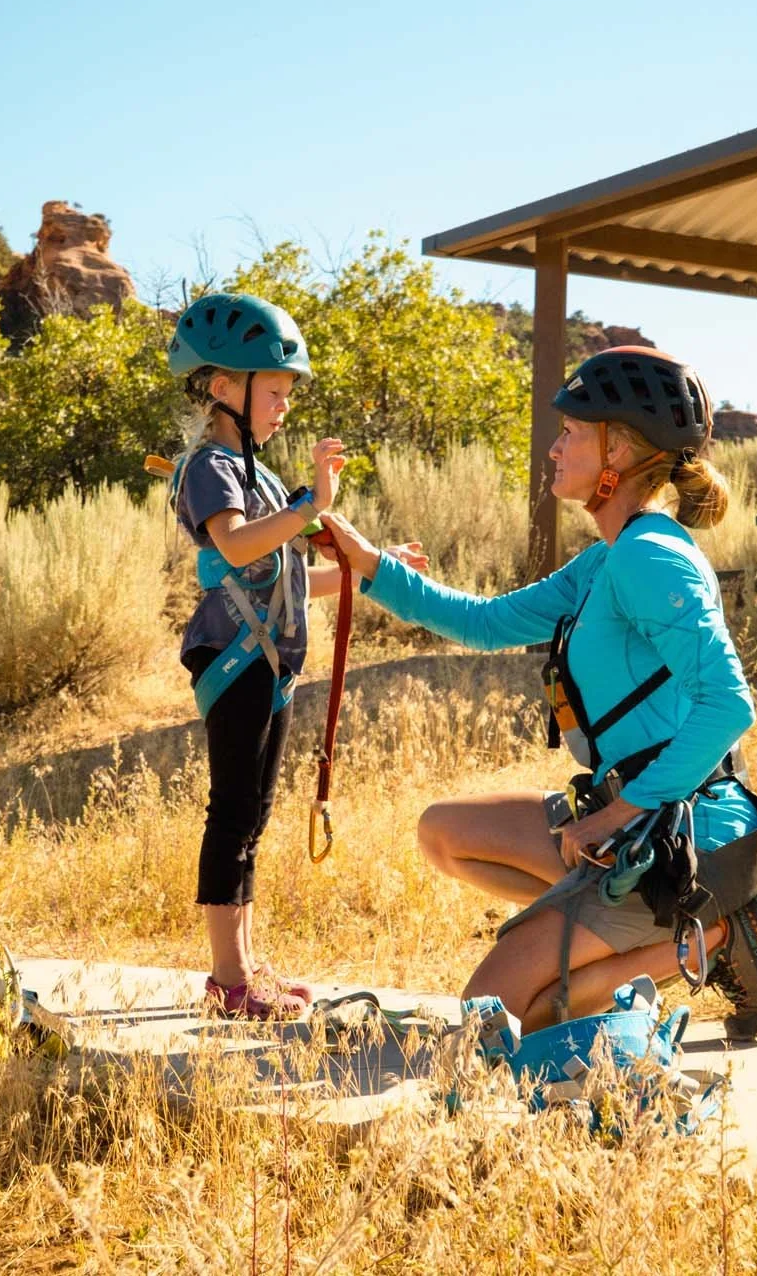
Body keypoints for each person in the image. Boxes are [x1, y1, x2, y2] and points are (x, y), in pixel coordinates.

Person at [319, 347, 757, 1034]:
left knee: (493, 1022)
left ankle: (710, 937)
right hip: (632, 821)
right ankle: (603, 919)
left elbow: (728, 703)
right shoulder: (605, 559)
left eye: (572, 433)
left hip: (684, 837)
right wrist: (370, 566)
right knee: (443, 834)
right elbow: (485, 623)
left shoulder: (652, 558)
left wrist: (614, 815)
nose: (555, 446)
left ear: (616, 452)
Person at [165, 291, 424, 1021]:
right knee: (234, 810)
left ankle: (242, 968)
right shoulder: (210, 468)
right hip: (234, 659)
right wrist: (311, 504)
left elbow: (287, 575)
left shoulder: (261, 477)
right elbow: (239, 546)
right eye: (274, 391)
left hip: (268, 664)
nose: (283, 405)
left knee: (254, 814)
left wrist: (374, 570)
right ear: (224, 388)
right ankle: (229, 976)